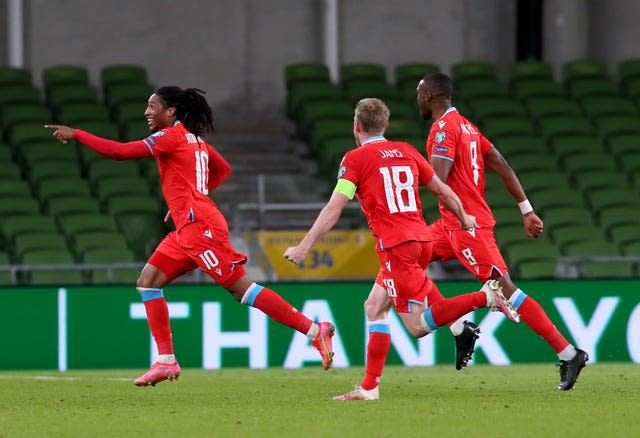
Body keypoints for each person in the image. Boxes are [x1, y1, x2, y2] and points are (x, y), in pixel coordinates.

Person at [45, 86, 335, 386]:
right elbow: (222, 170)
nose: (147, 112)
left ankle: (315, 331)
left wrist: (77, 134)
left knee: (241, 290)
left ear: (171, 111)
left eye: (152, 106)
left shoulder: (169, 137)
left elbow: (120, 152)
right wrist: (189, 197)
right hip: (189, 226)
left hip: (201, 229)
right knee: (148, 282)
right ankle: (166, 361)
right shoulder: (196, 140)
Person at [284, 97, 519, 401]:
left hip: (397, 247)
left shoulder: (354, 159)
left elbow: (334, 208)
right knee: (374, 307)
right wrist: (464, 218)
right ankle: (369, 388)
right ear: (386, 125)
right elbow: (444, 190)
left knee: (418, 326)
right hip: (422, 239)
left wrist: (305, 247)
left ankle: (486, 296)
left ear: (356, 126)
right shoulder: (407, 151)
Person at [417, 72, 588, 391]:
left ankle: (569, 354)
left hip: (467, 224)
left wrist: (402, 179)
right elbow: (502, 164)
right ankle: (459, 330)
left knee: (504, 287)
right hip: (449, 225)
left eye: (419, 94)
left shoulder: (443, 129)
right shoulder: (469, 127)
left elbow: (436, 181)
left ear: (429, 96)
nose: (417, 100)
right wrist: (526, 209)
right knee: (408, 256)